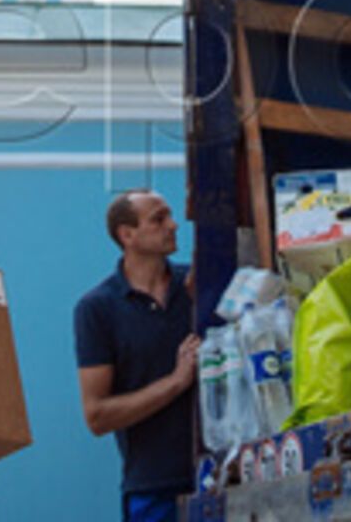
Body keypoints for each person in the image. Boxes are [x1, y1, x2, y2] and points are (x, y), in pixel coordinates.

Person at [74, 189, 200, 522]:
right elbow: (97, 416)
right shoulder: (97, 309)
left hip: (221, 476)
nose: (173, 225)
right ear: (127, 235)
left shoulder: (197, 285)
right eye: (159, 219)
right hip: (154, 489)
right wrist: (176, 382)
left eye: (170, 215)